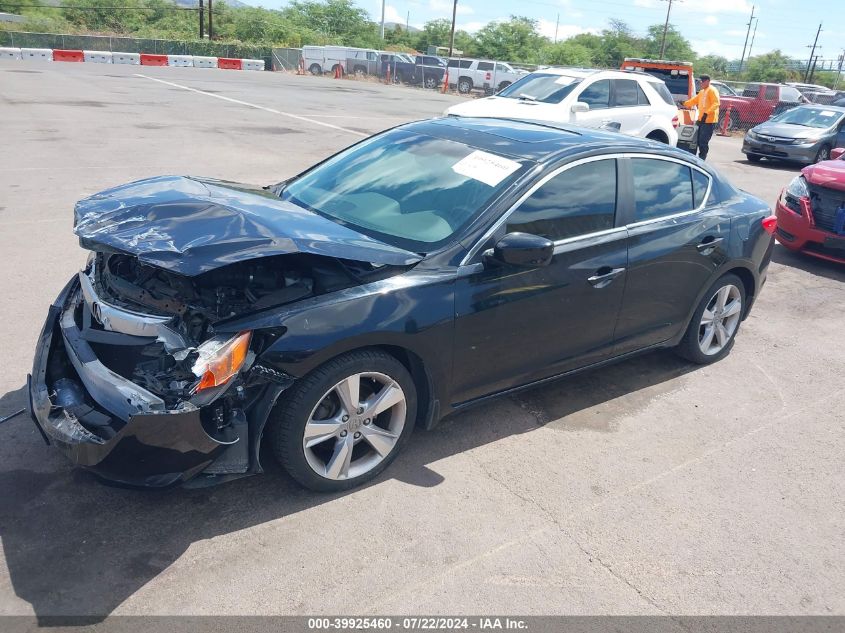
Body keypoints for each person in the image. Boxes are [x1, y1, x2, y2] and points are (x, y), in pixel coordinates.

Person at [683, 75, 720, 160]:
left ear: (707, 81)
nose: (700, 83)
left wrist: (706, 114)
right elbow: (694, 100)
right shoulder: (702, 92)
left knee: (703, 141)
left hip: (709, 121)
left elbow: (716, 103)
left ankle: (702, 159)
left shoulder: (712, 90)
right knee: (695, 140)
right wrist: (684, 103)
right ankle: (694, 158)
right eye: (700, 82)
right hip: (701, 120)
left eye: (702, 81)